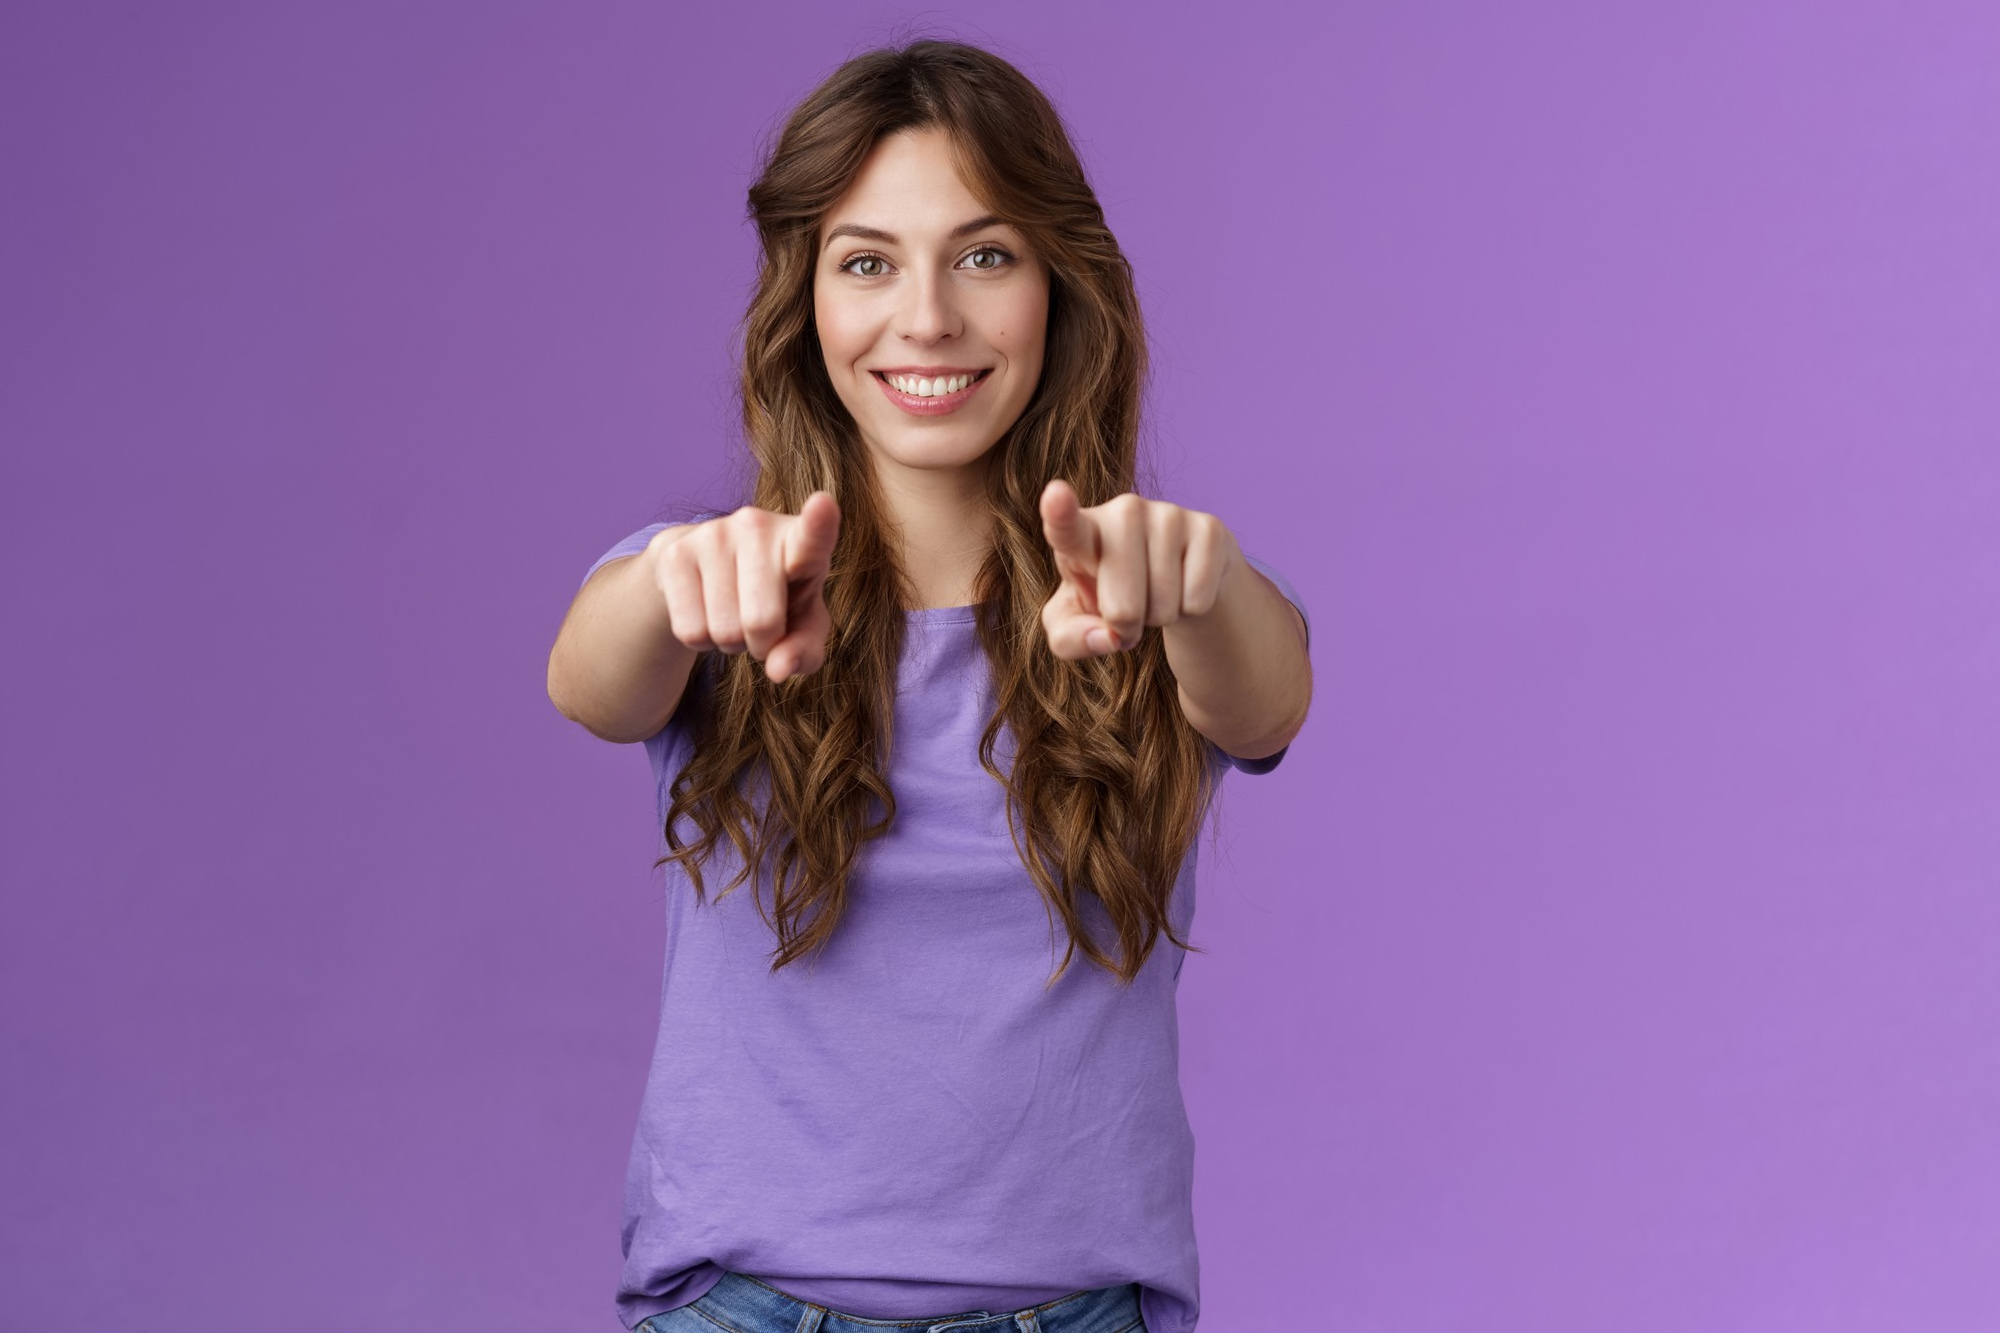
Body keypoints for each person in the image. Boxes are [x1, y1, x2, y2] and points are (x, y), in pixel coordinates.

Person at [546, 38, 1312, 1333]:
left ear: (1058, 286)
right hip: (740, 1312)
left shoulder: (1157, 589)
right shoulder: (717, 582)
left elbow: (1268, 699)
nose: (928, 318)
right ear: (808, 304)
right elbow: (591, 680)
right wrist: (678, 581)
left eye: (984, 254)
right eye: (867, 262)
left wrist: (1207, 583)